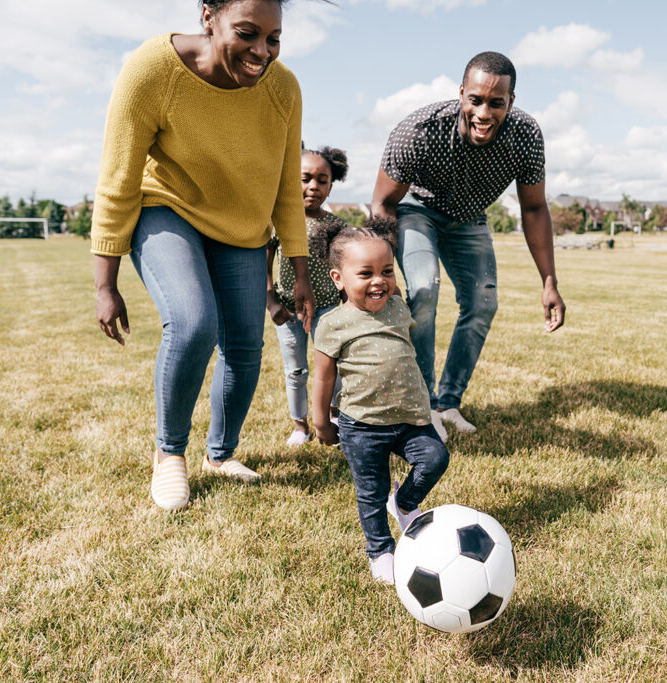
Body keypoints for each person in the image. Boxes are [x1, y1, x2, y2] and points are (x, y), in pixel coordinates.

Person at [91, 0, 316, 511]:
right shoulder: (154, 69)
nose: (262, 52)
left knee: (243, 346)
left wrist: (297, 269)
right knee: (194, 323)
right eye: (247, 33)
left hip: (241, 226)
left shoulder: (283, 89)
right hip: (166, 207)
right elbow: (118, 177)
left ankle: (221, 454)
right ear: (207, 15)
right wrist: (105, 282)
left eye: (273, 39)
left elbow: (286, 186)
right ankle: (170, 454)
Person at [371, 51, 565, 442]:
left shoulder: (525, 136)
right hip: (417, 211)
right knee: (423, 291)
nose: (484, 112)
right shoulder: (420, 130)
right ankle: (423, 407)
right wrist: (382, 270)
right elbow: (382, 203)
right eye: (475, 100)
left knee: (483, 304)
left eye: (497, 103)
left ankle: (448, 403)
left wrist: (549, 281)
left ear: (511, 101)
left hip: (470, 218)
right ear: (461, 94)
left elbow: (533, 207)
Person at [311, 217, 450, 585]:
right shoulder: (333, 323)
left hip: (410, 418)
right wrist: (321, 420)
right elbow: (323, 376)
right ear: (338, 278)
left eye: (387, 270)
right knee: (370, 492)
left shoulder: (398, 306)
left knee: (436, 458)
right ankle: (380, 550)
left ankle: (403, 503)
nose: (379, 281)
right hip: (361, 425)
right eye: (366, 273)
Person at [266, 146, 348, 446]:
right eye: (305, 178)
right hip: (288, 312)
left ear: (331, 183)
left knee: (334, 365)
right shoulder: (279, 220)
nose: (313, 186)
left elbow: (347, 267)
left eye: (322, 180)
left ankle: (334, 417)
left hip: (328, 309)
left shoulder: (336, 226)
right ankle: (300, 426)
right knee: (296, 370)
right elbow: (266, 260)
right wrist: (270, 300)